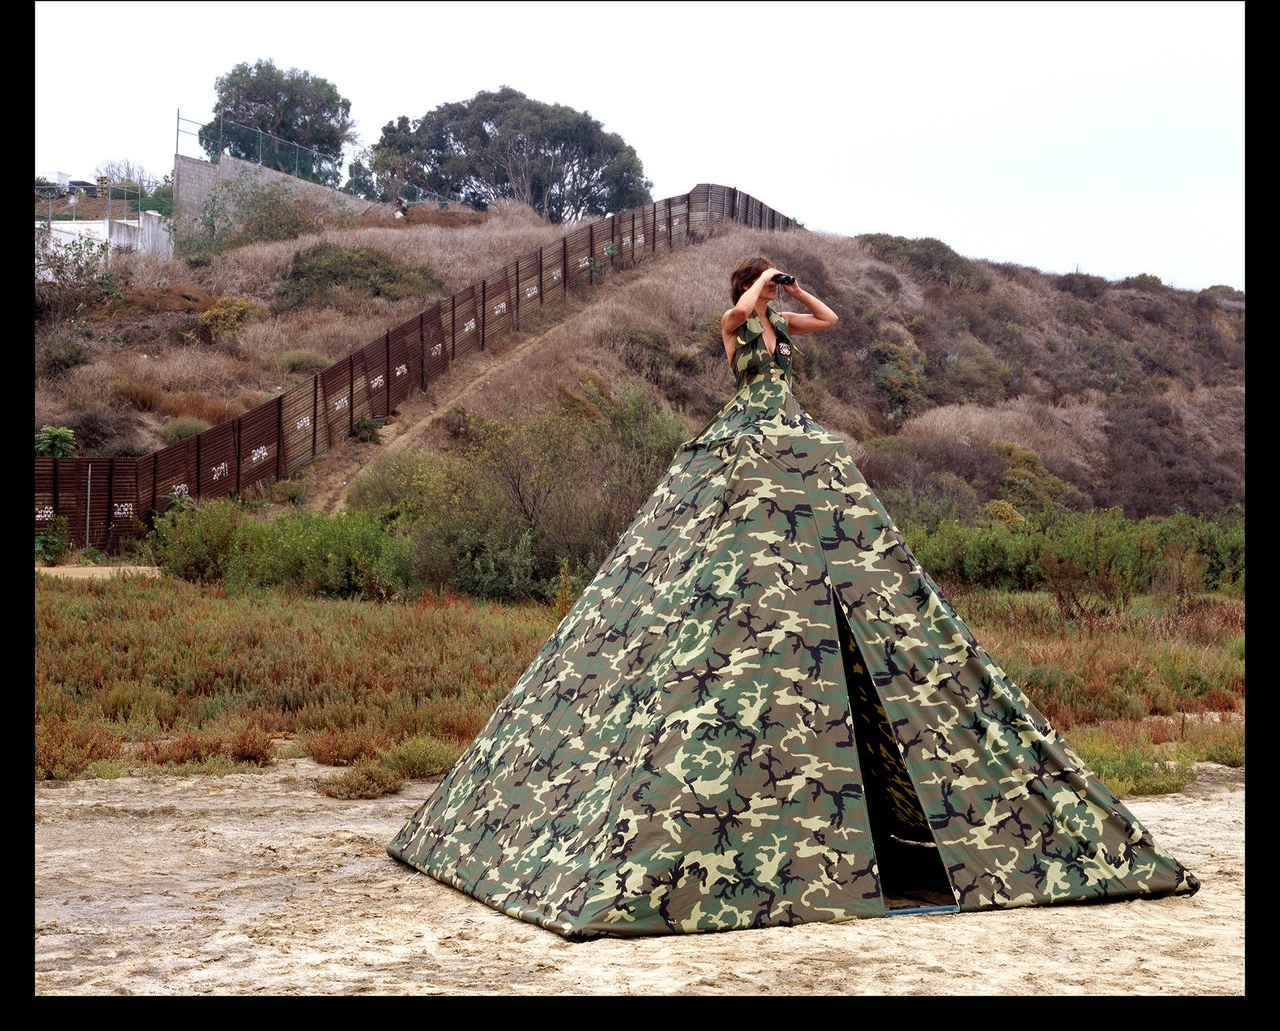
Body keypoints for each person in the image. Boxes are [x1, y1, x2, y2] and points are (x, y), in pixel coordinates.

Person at [388, 253, 1199, 939]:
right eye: (766, 291)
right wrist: (756, 288)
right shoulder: (735, 327)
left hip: (801, 450)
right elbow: (736, 314)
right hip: (749, 450)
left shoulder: (780, 325)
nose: (771, 302)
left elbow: (835, 320)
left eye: (769, 295)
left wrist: (797, 289)